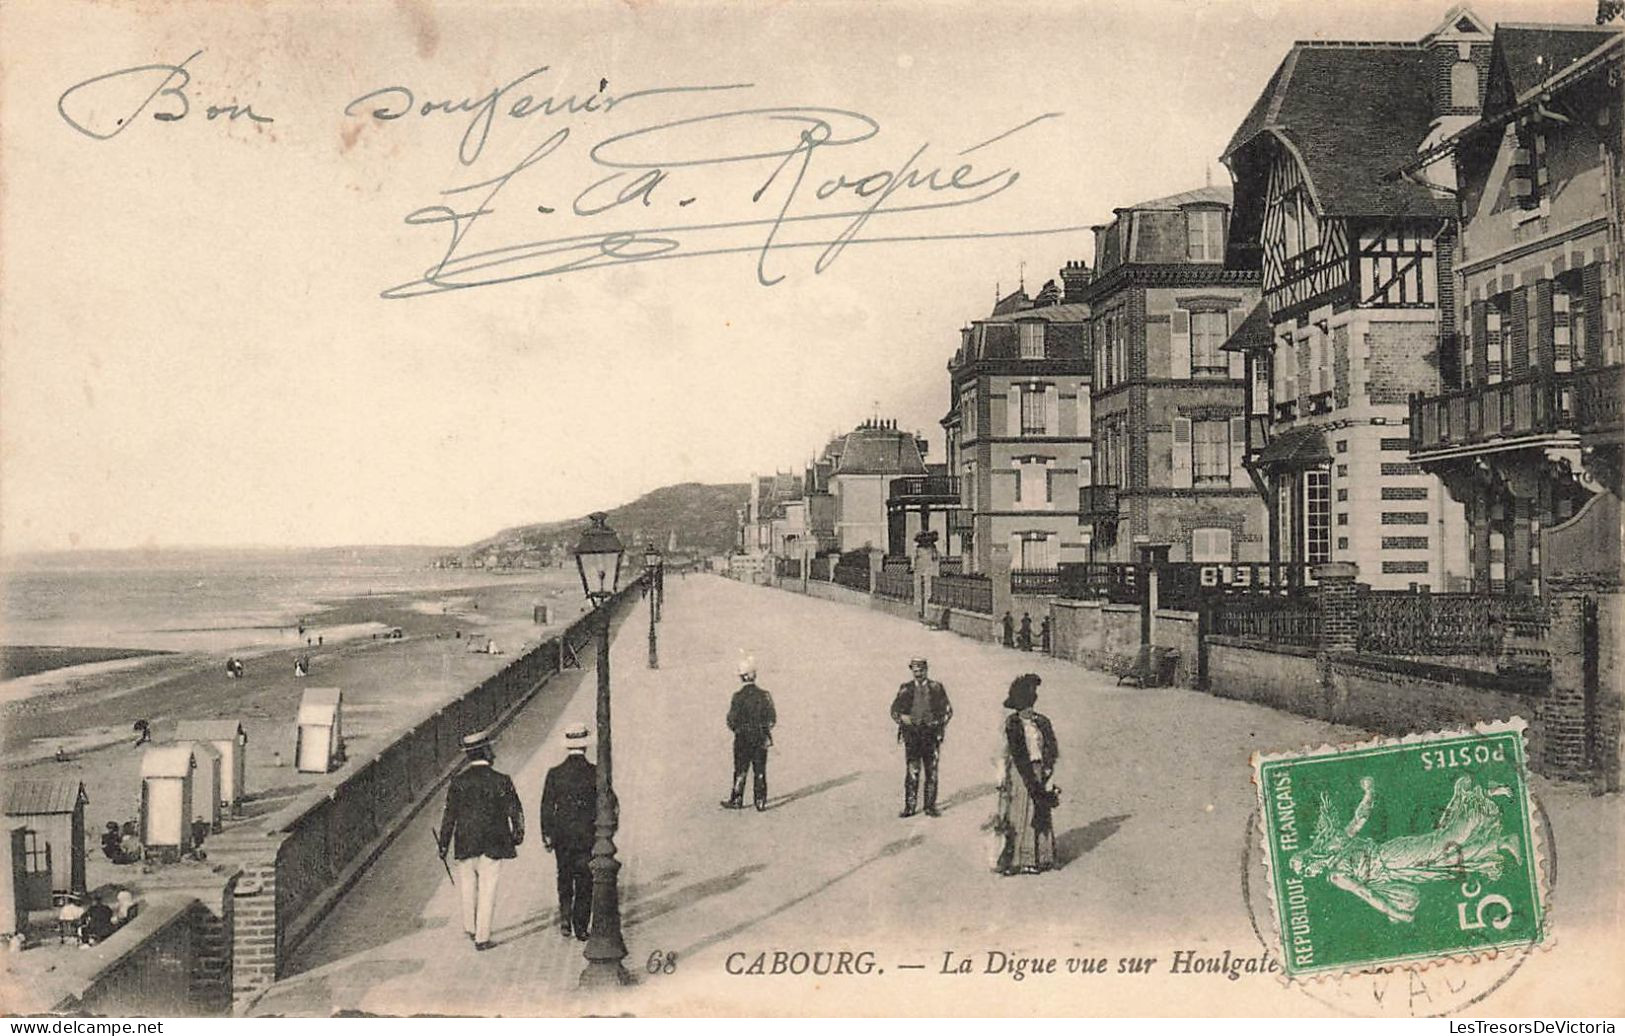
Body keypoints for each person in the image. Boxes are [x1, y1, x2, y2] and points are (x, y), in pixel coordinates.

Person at [436, 729, 524, 951]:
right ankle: (482, 937)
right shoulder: (501, 780)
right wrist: (517, 835)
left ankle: (470, 926)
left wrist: (443, 844)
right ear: (486, 751)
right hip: (494, 843)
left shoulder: (458, 782)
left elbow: (449, 816)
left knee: (468, 885)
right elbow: (515, 811)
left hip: (466, 842)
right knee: (488, 888)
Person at [995, 673, 1059, 875]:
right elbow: (1003, 752)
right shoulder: (1012, 724)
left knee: (1038, 810)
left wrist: (1048, 768)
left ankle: (1040, 858)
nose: (1029, 711)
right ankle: (1016, 860)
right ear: (1018, 707)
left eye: (1031, 706)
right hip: (1019, 773)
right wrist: (1001, 775)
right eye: (1025, 707)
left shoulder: (1042, 723)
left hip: (1039, 770)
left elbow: (1051, 747)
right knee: (1018, 813)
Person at [539, 723, 596, 941]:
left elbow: (546, 807)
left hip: (562, 836)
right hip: (587, 835)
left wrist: (547, 834)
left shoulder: (555, 773)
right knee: (584, 879)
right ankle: (581, 926)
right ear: (586, 747)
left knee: (564, 876)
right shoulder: (595, 771)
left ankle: (565, 920)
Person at [890, 656, 953, 817]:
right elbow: (894, 711)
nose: (918, 674)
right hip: (912, 736)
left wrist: (937, 722)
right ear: (912, 671)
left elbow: (948, 711)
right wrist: (902, 718)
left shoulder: (936, 688)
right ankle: (910, 806)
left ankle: (929, 806)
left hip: (931, 736)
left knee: (931, 772)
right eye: (915, 671)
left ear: (926, 670)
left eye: (921, 671)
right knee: (913, 771)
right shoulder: (905, 689)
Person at [721, 657, 776, 811]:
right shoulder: (765, 695)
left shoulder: (738, 697)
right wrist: (763, 729)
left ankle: (737, 799)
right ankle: (760, 800)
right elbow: (772, 718)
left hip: (743, 739)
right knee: (760, 770)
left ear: (742, 677)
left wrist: (739, 730)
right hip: (761, 737)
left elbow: (731, 720)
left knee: (740, 769)